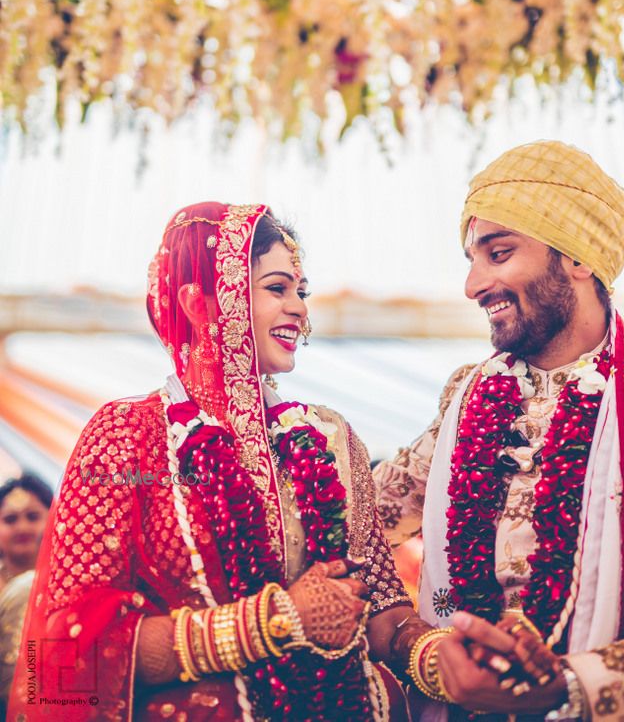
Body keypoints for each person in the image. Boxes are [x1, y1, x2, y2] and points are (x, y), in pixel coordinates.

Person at [11, 202, 431, 721]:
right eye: (277, 289)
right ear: (199, 301)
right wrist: (275, 622)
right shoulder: (125, 437)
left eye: (301, 291)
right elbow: (70, 648)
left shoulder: (331, 437)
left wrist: (435, 656)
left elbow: (383, 604)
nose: (299, 308)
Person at [374, 141, 624, 721]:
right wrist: (422, 648)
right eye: (471, 259)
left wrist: (568, 686)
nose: (472, 284)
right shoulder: (468, 397)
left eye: (499, 253)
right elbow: (362, 523)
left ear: (578, 259)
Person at [0, 474, 53, 715]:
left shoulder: (70, 581)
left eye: (32, 517)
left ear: (52, 519)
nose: (22, 527)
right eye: (10, 519)